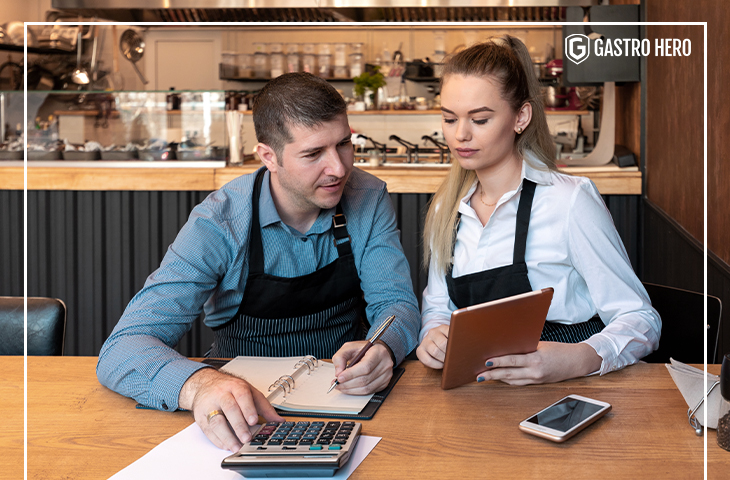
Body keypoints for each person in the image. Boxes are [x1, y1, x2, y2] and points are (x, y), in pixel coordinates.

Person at [97, 72, 421, 452]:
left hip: (348, 403)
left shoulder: (368, 197)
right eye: (314, 154)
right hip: (242, 417)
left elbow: (397, 304)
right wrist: (201, 385)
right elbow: (123, 347)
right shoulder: (219, 222)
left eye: (344, 144)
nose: (338, 168)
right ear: (269, 156)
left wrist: (384, 348)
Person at [417, 36, 660, 385]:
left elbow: (641, 318)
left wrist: (577, 359)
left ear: (521, 117)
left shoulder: (569, 201)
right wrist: (434, 334)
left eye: (480, 119)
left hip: (566, 390)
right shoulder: (447, 208)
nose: (461, 135)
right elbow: (439, 305)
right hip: (479, 395)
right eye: (450, 119)